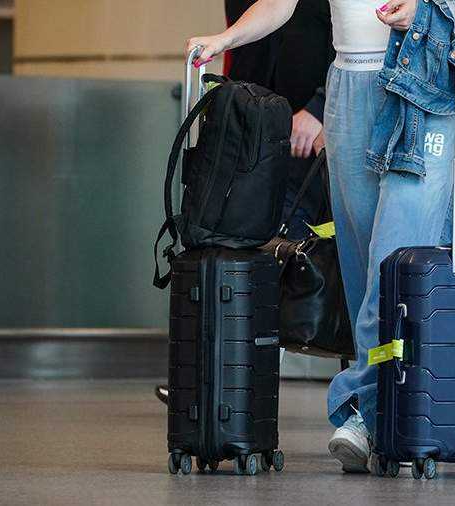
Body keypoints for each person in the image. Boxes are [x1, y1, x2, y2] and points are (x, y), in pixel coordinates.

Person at [186, 0, 455, 474]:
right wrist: (226, 39)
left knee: (393, 258)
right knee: (360, 267)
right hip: (351, 83)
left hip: (430, 75)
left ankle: (366, 409)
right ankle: (401, 414)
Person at [155, 0, 334, 406]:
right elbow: (248, 44)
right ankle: (215, 379)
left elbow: (349, 39)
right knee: (232, 248)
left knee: (291, 257)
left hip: (309, 133)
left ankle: (241, 381)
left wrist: (321, 108)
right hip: (253, 128)